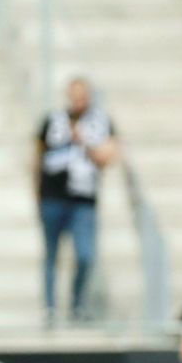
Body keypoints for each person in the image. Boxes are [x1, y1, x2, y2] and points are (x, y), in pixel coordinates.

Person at [37, 77, 117, 324]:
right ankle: (49, 308)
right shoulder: (53, 120)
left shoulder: (100, 122)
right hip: (52, 197)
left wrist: (83, 141)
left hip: (83, 201)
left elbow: (108, 156)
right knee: (52, 255)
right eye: (75, 94)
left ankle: (77, 305)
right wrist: (36, 192)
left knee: (85, 255)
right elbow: (38, 154)